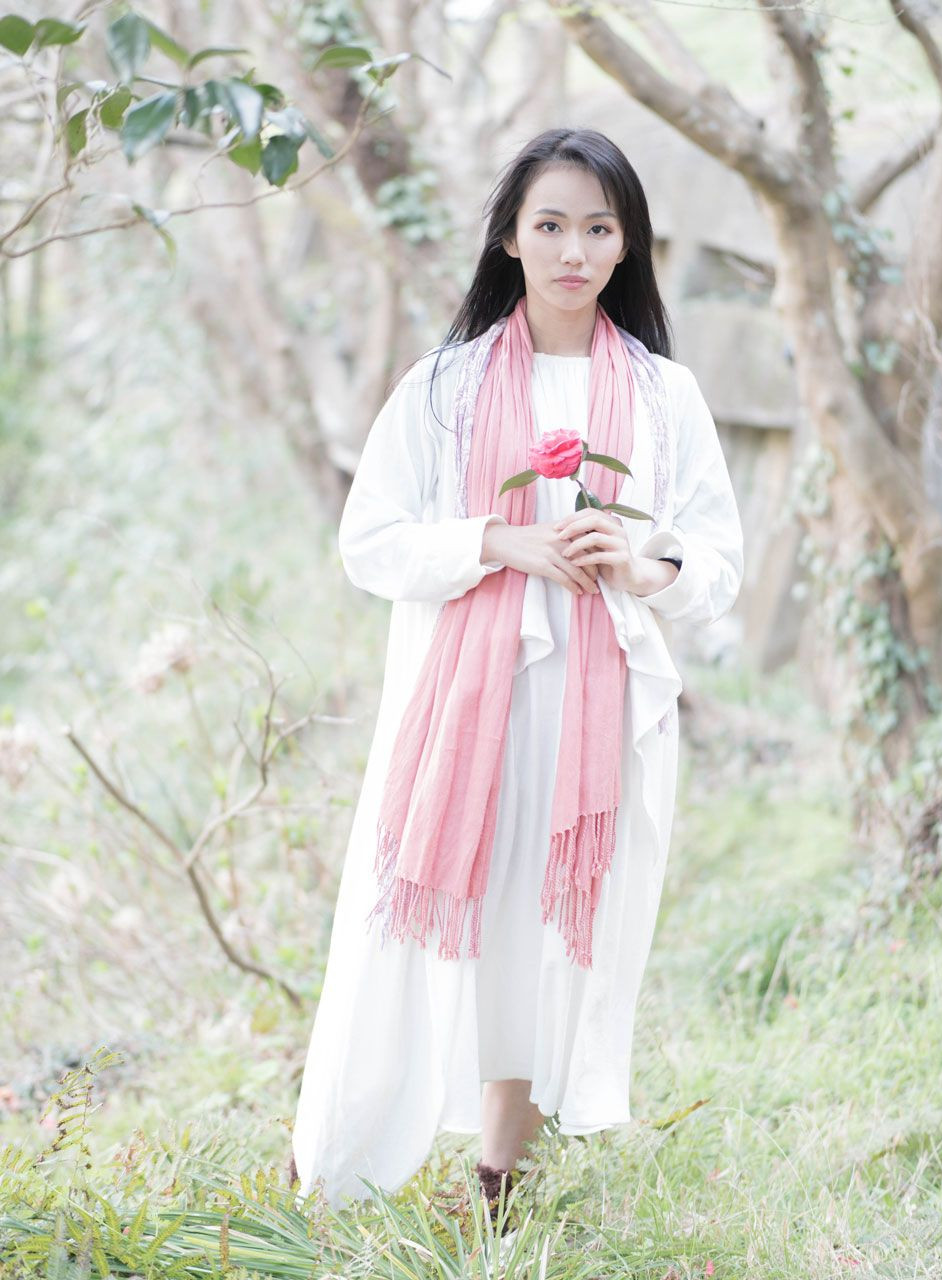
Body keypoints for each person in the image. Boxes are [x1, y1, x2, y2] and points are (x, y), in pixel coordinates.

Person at [290, 127, 744, 1217]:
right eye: (550, 225)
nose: (573, 250)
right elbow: (370, 542)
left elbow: (717, 562)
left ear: (627, 244)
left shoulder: (665, 394)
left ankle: (501, 1177)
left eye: (598, 227)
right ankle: (346, 1161)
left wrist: (636, 561)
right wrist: (499, 542)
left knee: (551, 934)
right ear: (509, 237)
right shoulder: (443, 387)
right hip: (462, 706)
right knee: (422, 926)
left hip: (602, 713)